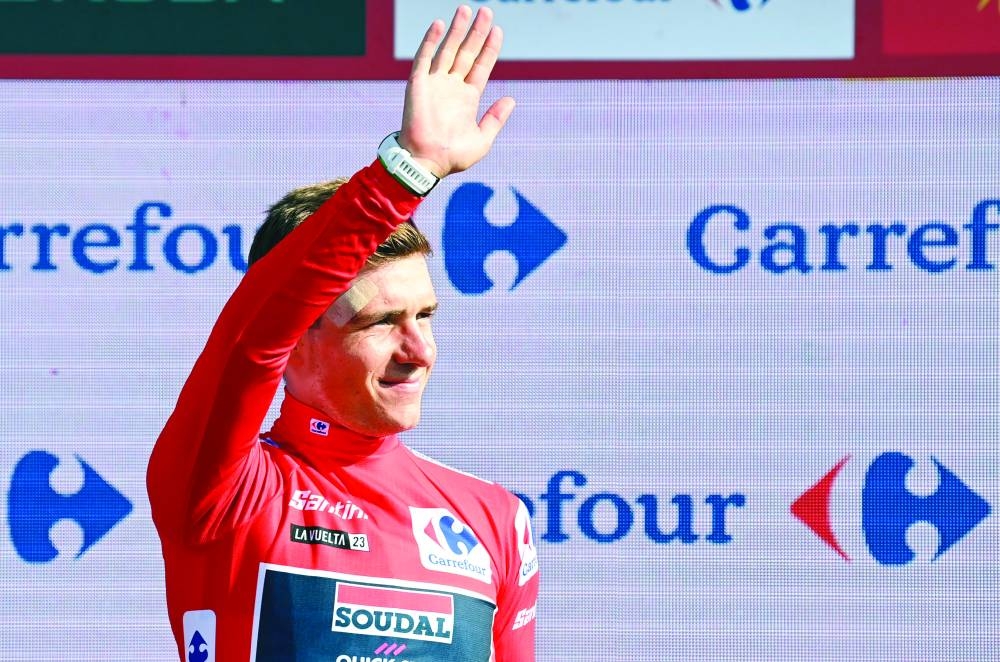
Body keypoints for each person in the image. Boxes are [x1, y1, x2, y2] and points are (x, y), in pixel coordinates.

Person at [146, 6, 539, 661]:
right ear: (296, 337)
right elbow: (251, 338)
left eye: (425, 316)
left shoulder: (492, 519)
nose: (419, 351)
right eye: (381, 321)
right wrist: (406, 172)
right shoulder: (224, 488)